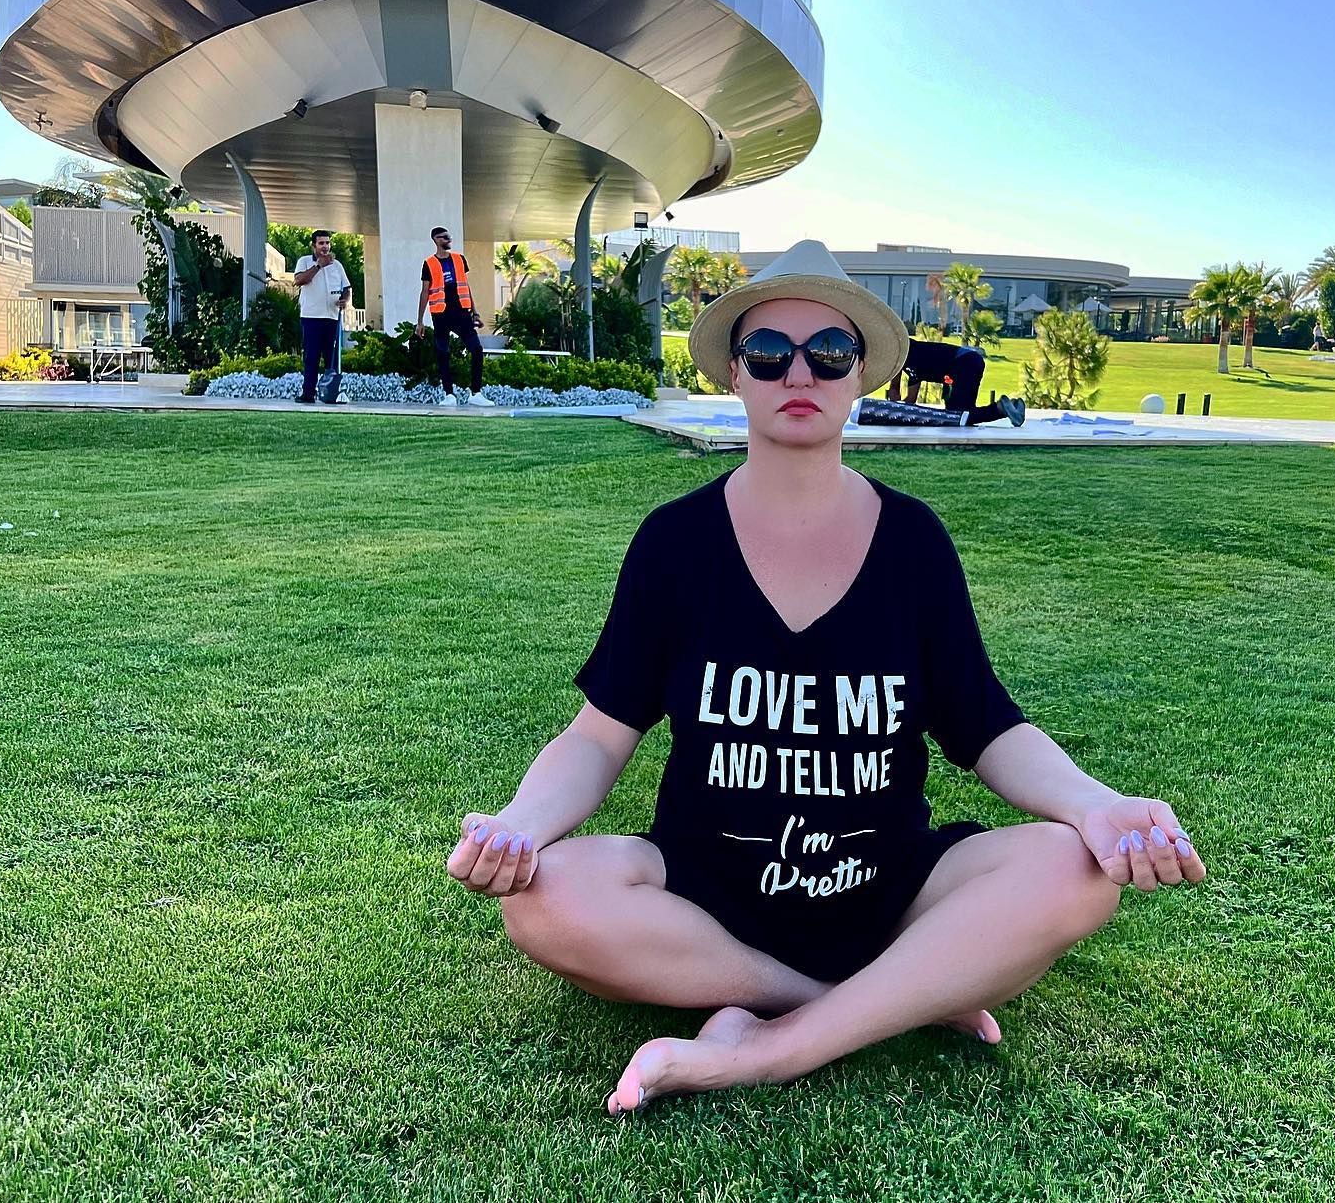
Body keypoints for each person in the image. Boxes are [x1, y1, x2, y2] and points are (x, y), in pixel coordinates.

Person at [445, 238, 1206, 1116]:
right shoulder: (674, 544)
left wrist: (1095, 804)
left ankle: (769, 1047)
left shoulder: (914, 543)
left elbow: (988, 726)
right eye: (770, 352)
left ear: (861, 374)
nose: (799, 372)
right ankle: (882, 997)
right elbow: (598, 735)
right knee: (541, 901)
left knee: (1076, 868)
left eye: (830, 351)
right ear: (736, 373)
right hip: (703, 900)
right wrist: (520, 825)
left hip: (891, 890)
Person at [414, 227, 493, 408]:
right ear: (436, 240)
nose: (448, 239)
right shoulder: (429, 264)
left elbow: (466, 286)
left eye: (449, 237)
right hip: (441, 314)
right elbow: (425, 292)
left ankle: (476, 393)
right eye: (444, 237)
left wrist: (475, 312)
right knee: (443, 353)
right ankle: (449, 394)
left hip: (461, 312)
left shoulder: (459, 259)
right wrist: (420, 321)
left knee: (477, 349)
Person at [885, 334, 1027, 427]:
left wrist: (892, 412)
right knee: (957, 414)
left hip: (964, 364)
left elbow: (910, 400)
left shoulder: (911, 359)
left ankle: (1001, 408)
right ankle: (1012, 406)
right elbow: (897, 386)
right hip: (963, 365)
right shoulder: (912, 354)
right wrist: (894, 391)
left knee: (957, 416)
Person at [292, 230, 352, 405]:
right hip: (311, 317)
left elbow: (346, 288)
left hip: (332, 317)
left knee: (331, 358)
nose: (325, 247)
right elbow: (299, 281)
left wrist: (345, 300)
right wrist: (318, 266)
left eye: (327, 243)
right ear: (314, 245)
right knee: (311, 357)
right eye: (321, 243)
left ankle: (330, 393)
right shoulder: (304, 261)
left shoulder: (337, 265)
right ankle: (308, 394)